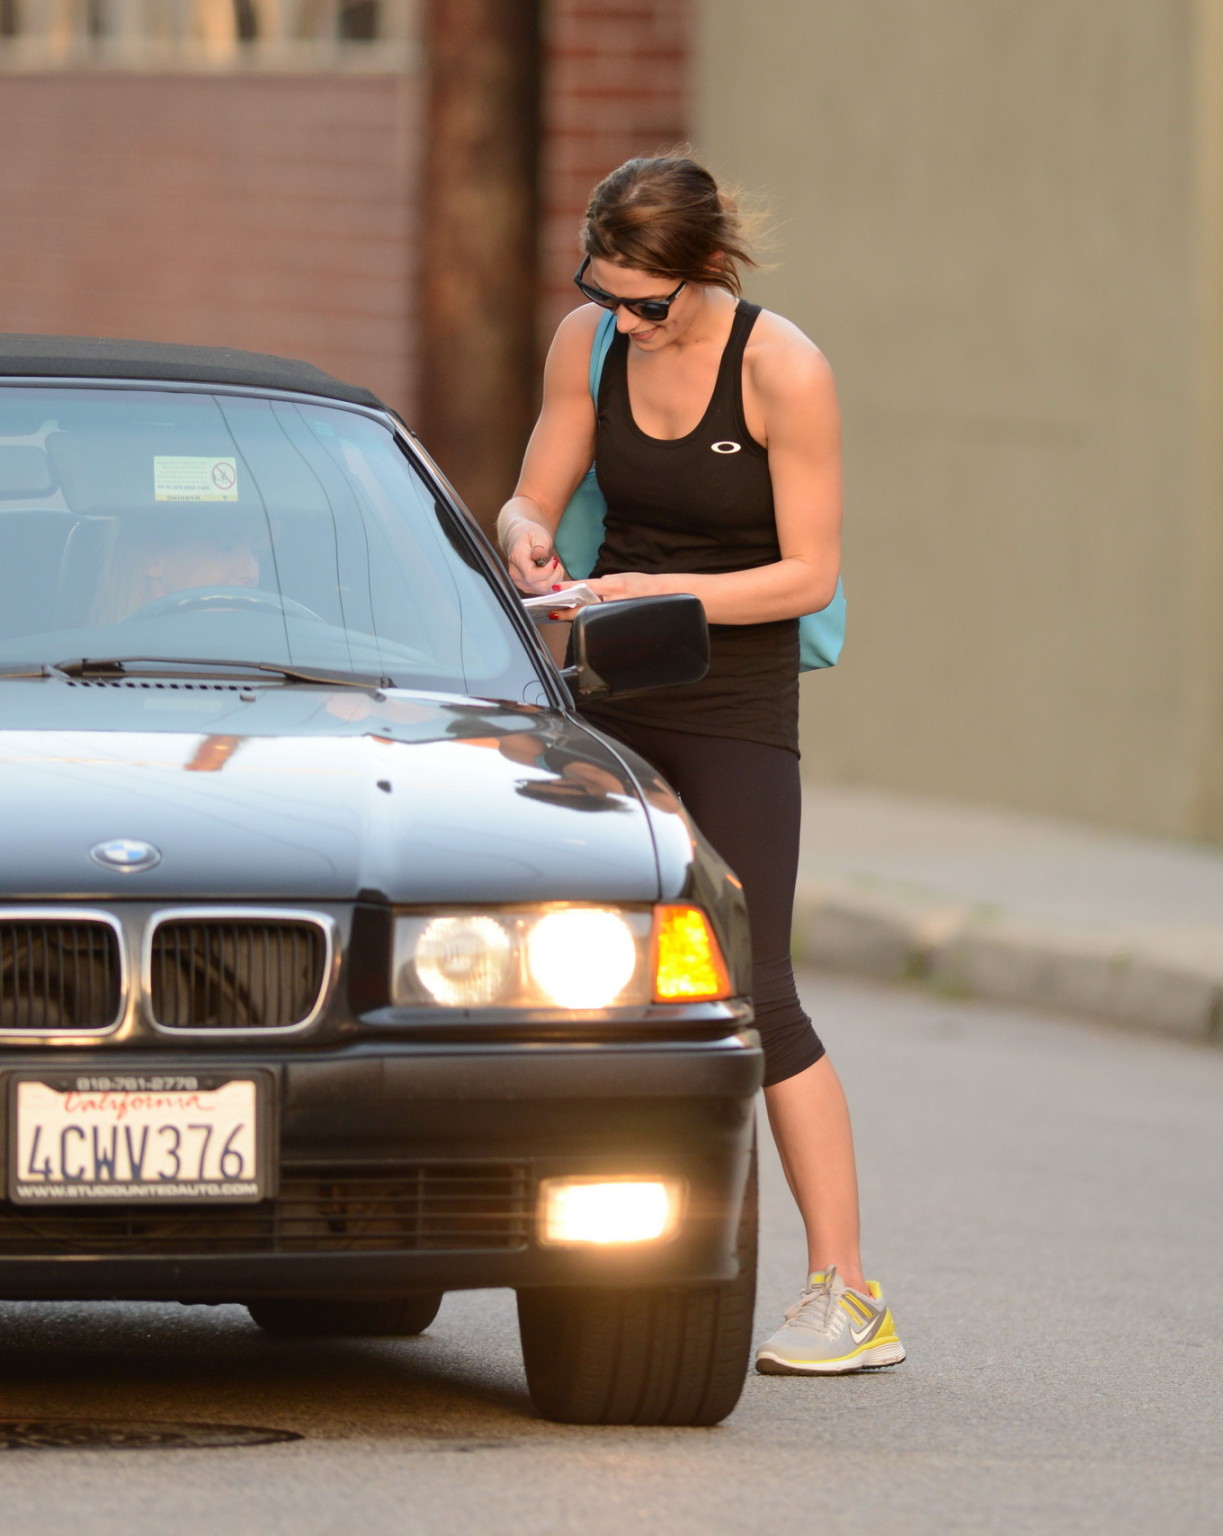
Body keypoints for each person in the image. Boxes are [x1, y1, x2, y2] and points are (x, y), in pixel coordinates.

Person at [497, 154, 904, 1375]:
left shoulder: (783, 369)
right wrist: (526, 541)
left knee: (754, 983)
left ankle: (847, 1294)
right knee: (572, 966)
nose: (624, 318)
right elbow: (531, 496)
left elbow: (806, 576)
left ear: (705, 269)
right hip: (608, 688)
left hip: (731, 698)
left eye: (646, 301)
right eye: (604, 291)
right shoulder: (588, 343)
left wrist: (657, 584)